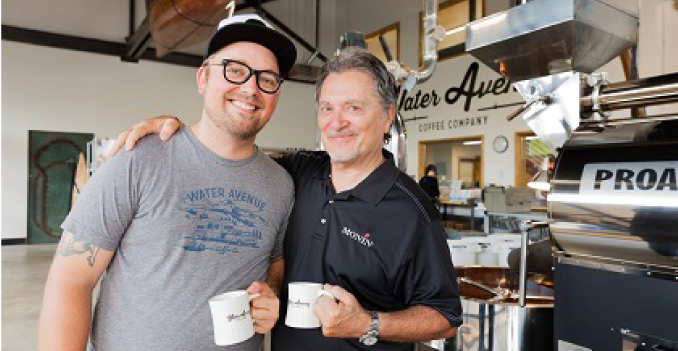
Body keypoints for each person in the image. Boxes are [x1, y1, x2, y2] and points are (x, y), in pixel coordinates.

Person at [110, 47, 463, 350]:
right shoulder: (297, 173)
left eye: (353, 108)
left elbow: (444, 317)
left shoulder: (413, 213)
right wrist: (178, 133)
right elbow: (229, 156)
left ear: (387, 117)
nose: (336, 122)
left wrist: (367, 324)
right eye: (327, 108)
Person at [38, 14, 297, 351]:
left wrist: (271, 293)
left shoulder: (280, 185)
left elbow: (275, 261)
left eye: (267, 78)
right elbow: (70, 281)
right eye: (235, 70)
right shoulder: (138, 158)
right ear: (203, 78)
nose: (251, 87)